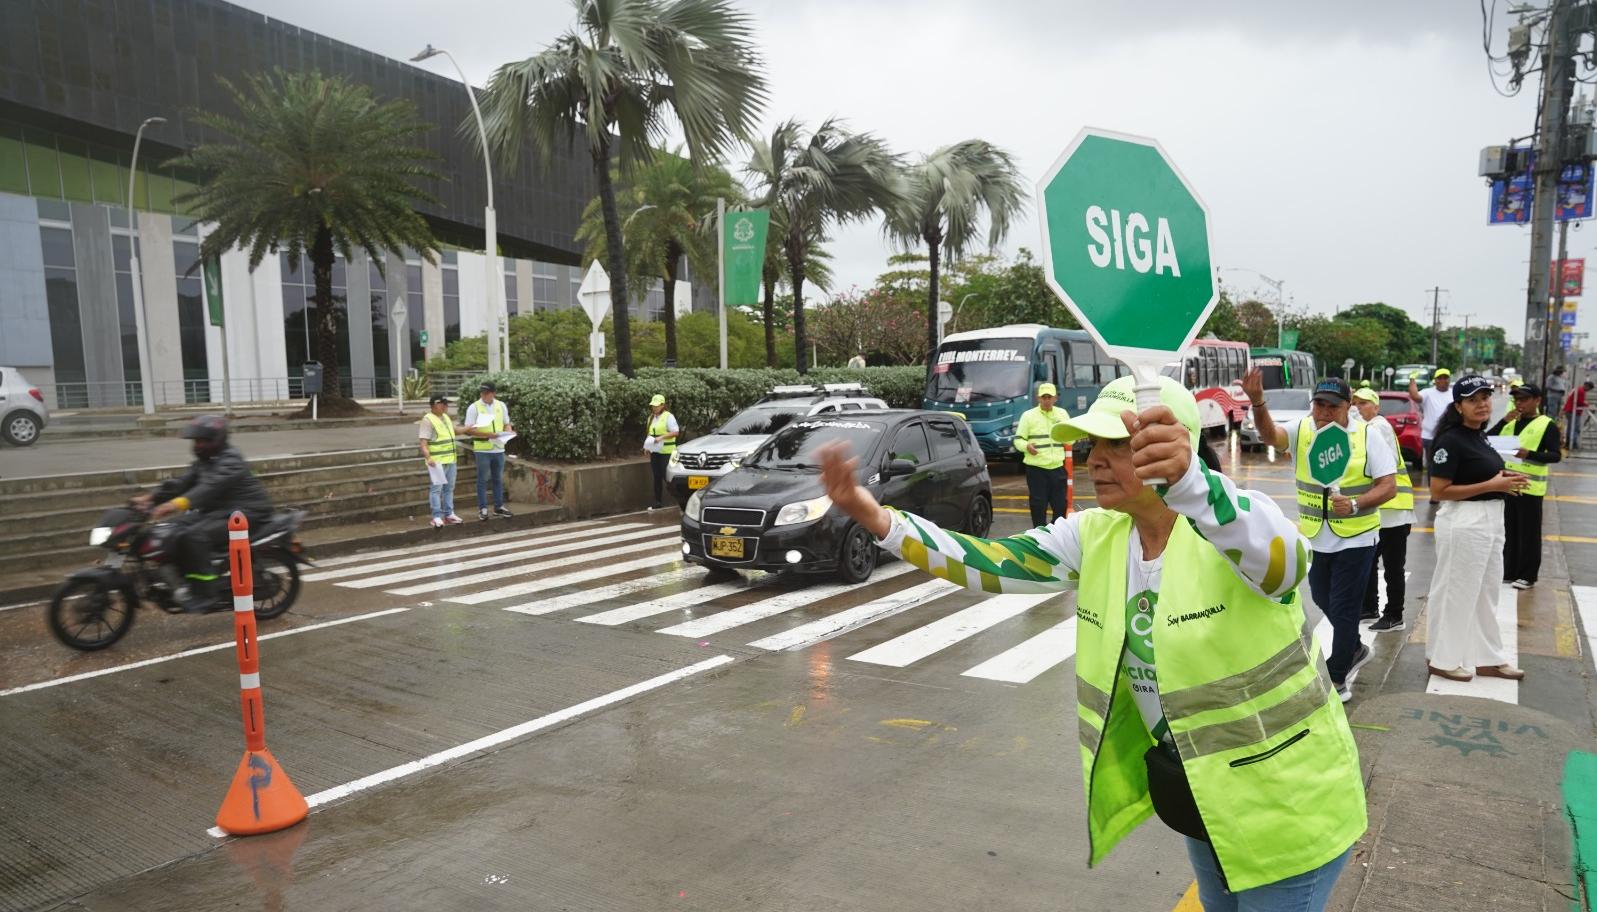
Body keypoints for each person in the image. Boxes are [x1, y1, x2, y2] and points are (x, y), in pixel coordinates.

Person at [818, 376, 1365, 910]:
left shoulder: (1237, 526)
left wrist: (1194, 483)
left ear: (1172, 445)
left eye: (1119, 444)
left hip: (1287, 802)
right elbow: (989, 562)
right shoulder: (1098, 532)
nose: (1096, 458)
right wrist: (878, 519)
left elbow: (1285, 564)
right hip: (1202, 796)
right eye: (1093, 444)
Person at [1245, 371, 1397, 702]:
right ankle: (1354, 647)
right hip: (1316, 535)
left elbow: (1389, 486)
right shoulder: (1303, 431)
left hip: (1357, 537)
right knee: (1320, 596)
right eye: (1319, 404)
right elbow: (1270, 436)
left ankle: (1338, 674)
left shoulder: (1368, 436)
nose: (1324, 412)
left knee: (1344, 606)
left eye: (1332, 406)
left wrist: (1356, 503)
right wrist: (1258, 402)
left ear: (1347, 406)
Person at [1425, 374, 1530, 682]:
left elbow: (1478, 472)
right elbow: (1438, 491)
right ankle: (1442, 658)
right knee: (1456, 591)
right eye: (1473, 400)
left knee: (1486, 592)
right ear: (1458, 406)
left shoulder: (1479, 435)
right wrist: (1492, 484)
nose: (1482, 404)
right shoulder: (1450, 440)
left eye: (1485, 398)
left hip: (1492, 518)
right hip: (1465, 521)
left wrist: (1505, 478)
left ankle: (1487, 658)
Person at [132, 416, 274, 612]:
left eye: (201, 441)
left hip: (247, 512)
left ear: (215, 440)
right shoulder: (205, 462)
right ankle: (181, 581)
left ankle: (206, 592)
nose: (197, 445)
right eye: (195, 441)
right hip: (218, 512)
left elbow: (209, 488)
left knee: (194, 536)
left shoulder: (230, 460)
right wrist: (151, 498)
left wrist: (174, 505)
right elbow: (181, 483)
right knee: (173, 529)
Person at [1352, 388, 1415, 632]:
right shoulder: (1367, 428)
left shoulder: (1378, 427)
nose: (1358, 408)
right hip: (1379, 511)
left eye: (1364, 403)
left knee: (1393, 566)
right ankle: (1369, 607)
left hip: (1395, 510)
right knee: (1369, 561)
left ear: (1376, 407)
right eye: (1355, 403)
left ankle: (1394, 614)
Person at [1489, 383, 1560, 589]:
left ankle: (1528, 575)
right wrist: (1504, 420)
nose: (1519, 403)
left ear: (1537, 400)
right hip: (1508, 486)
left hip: (1530, 487)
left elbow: (1555, 455)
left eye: (1524, 399)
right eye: (1517, 399)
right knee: (1509, 531)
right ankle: (1509, 571)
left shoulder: (1547, 424)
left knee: (1528, 533)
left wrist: (1530, 454)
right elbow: (1487, 439)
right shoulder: (1511, 422)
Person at [1014, 381, 1071, 527]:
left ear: (1055, 398)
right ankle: (1039, 534)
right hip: (1036, 470)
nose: (1046, 400)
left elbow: (1071, 439)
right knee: (1038, 506)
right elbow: (1018, 440)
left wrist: (1071, 433)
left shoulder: (1062, 414)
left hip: (1057, 468)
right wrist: (1026, 446)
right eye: (1043, 397)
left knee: (1060, 506)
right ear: (1038, 398)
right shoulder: (1028, 416)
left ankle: (1055, 533)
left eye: (1049, 397)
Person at [465, 381, 514, 521]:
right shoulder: (474, 407)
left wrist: (508, 432)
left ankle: (498, 507)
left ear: (493, 393)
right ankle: (483, 508)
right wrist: (488, 435)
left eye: (487, 392)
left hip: (498, 448)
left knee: (498, 479)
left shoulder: (501, 405)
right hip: (482, 449)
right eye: (482, 392)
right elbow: (469, 430)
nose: (484, 395)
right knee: (482, 480)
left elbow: (506, 423)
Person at [419, 394, 465, 529]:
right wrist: (428, 457)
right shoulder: (427, 420)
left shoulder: (445, 417)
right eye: (444, 404)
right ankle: (436, 516)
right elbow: (423, 442)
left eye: (447, 404)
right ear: (435, 405)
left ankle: (449, 513)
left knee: (449, 488)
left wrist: (469, 428)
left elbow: (454, 432)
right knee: (436, 489)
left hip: (451, 459)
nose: (446, 406)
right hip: (437, 462)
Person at [1409, 368, 1453, 477]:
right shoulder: (1428, 393)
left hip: (1450, 436)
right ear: (1435, 380)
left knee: (1449, 464)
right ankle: (1433, 489)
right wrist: (1412, 379)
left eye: (1445, 378)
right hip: (1430, 437)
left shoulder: (1454, 393)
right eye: (1440, 378)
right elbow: (1415, 396)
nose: (1443, 380)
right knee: (1433, 465)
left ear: (1449, 380)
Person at [644, 394, 679, 511]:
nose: (654, 408)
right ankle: (657, 501)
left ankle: (680, 498)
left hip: (667, 452)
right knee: (656, 476)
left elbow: (675, 432)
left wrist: (661, 437)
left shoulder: (668, 416)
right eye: (653, 406)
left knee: (666, 476)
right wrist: (647, 446)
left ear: (663, 405)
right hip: (655, 451)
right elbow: (649, 433)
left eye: (657, 406)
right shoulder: (651, 418)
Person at [1563, 380, 1591, 450]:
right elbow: (1580, 402)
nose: (1588, 390)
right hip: (1573, 411)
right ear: (1587, 386)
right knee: (1574, 428)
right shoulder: (1581, 391)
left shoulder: (1577, 389)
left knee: (1571, 428)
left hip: (1569, 410)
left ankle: (1568, 443)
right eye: (1589, 389)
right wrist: (1587, 404)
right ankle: (1574, 444)